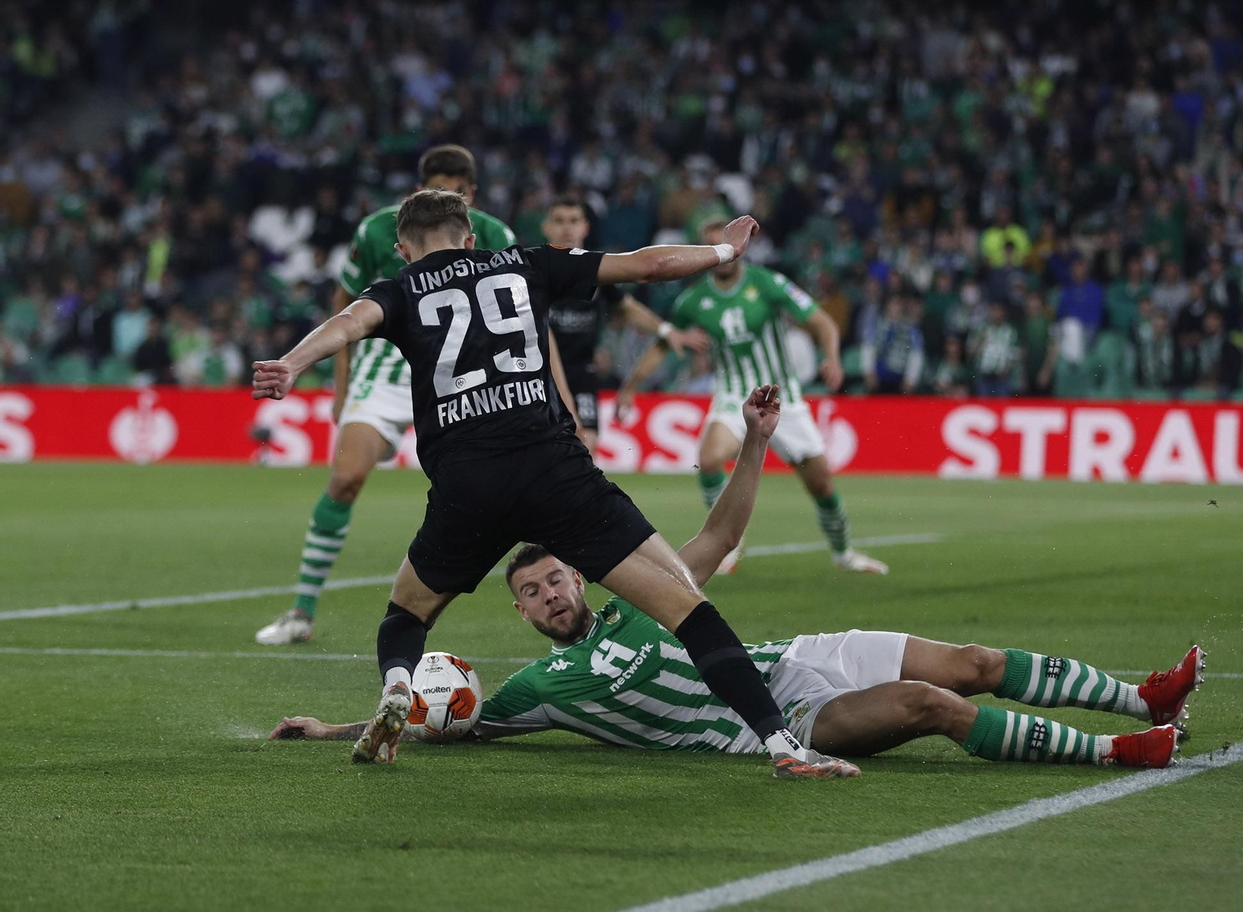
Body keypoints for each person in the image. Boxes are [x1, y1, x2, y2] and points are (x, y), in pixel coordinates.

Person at [271, 384, 1200, 769]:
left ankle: (1141, 697)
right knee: (930, 705)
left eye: (557, 579)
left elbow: (720, 530)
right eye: (533, 591)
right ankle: (1119, 754)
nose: (552, 594)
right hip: (786, 724)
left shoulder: (643, 585)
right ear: (518, 612)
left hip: (799, 659)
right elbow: (443, 710)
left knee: (972, 659)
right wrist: (332, 727)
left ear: (582, 579)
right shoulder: (539, 689)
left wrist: (755, 442)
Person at [252, 189, 857, 779]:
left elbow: (347, 324)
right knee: (688, 607)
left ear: (404, 251)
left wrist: (292, 365)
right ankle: (783, 744)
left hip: (468, 483)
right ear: (469, 239)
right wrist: (723, 254)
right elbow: (647, 265)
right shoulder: (525, 261)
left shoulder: (398, 287)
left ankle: (396, 686)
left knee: (407, 614)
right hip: (553, 469)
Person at [255, 145, 518, 647]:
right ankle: (302, 612)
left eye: (458, 192)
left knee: (504, 489)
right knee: (347, 476)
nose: (447, 200)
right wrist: (340, 383)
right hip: (387, 365)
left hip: (462, 368)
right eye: (436, 189)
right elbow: (346, 303)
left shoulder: (496, 234)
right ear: (419, 188)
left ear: (472, 193)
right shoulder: (379, 229)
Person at [614, 217, 887, 576]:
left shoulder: (768, 283)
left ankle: (844, 553)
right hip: (733, 394)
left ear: (740, 246)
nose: (723, 256)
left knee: (820, 482)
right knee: (710, 458)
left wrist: (832, 358)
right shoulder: (693, 300)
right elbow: (665, 344)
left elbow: (821, 321)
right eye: (714, 248)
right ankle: (726, 541)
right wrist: (631, 386)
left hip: (782, 398)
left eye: (727, 246)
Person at [542, 196, 708, 453]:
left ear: (585, 227)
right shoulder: (534, 272)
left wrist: (665, 330)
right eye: (559, 221)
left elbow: (625, 306)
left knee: (585, 445)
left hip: (581, 373)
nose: (567, 228)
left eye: (574, 221)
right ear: (546, 227)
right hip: (539, 375)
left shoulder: (596, 270)